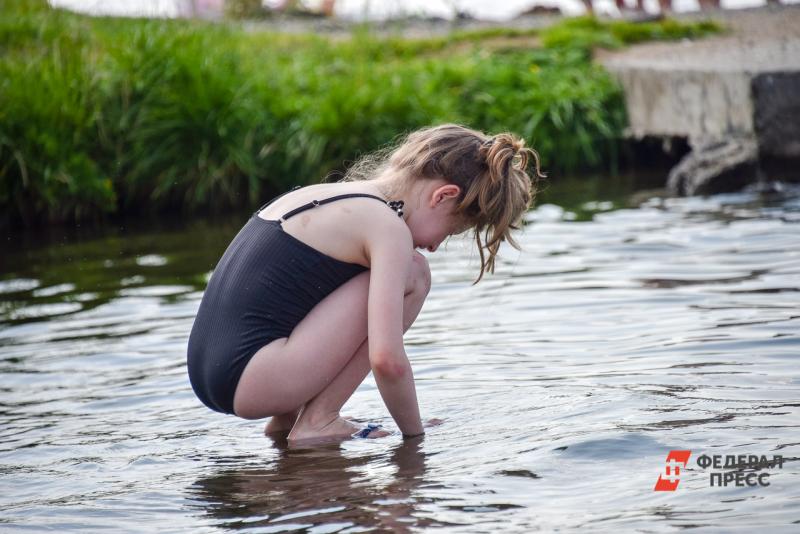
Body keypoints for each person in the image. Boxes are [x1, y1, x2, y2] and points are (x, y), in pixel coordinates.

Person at [187, 123, 543, 445]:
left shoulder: (325, 195)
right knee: (414, 273)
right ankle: (319, 420)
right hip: (253, 381)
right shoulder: (386, 227)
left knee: (340, 279)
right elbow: (387, 360)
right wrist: (414, 436)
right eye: (451, 230)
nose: (435, 245)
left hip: (214, 376)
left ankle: (288, 420)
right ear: (443, 196)